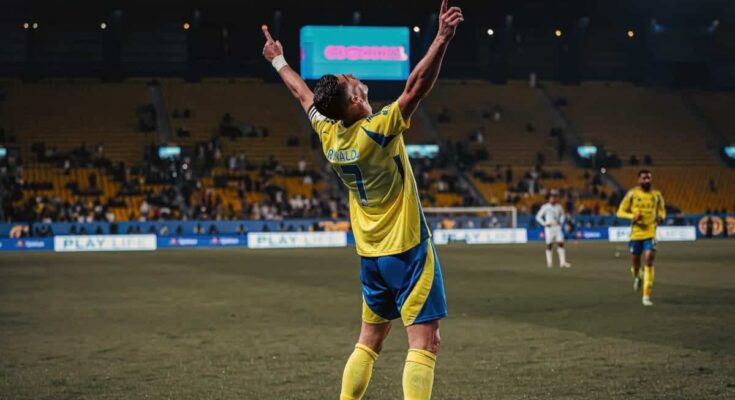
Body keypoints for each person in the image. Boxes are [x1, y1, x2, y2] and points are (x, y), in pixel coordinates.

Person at [261, 1, 462, 398]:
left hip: (371, 254)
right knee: (425, 343)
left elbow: (303, 95)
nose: (353, 76)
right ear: (354, 100)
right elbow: (416, 86)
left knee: (369, 341)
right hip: (406, 248)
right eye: (349, 80)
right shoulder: (377, 130)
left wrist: (278, 60)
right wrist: (441, 38)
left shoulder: (330, 133)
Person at [616, 169, 666, 307]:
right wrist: (632, 216)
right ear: (638, 180)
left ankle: (646, 295)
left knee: (649, 259)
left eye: (649, 178)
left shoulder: (656, 195)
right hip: (636, 234)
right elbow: (620, 212)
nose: (647, 180)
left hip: (650, 232)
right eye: (644, 178)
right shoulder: (632, 194)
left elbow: (662, 209)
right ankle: (637, 276)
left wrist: (661, 217)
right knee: (635, 263)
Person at [535, 191, 571, 268]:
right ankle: (549, 263)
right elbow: (538, 217)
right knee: (549, 245)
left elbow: (563, 215)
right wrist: (544, 223)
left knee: (561, 243)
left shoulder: (559, 206)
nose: (553, 199)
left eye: (554, 198)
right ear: (549, 199)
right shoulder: (545, 207)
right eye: (551, 198)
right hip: (549, 228)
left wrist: (561, 222)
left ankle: (562, 263)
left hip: (557, 227)